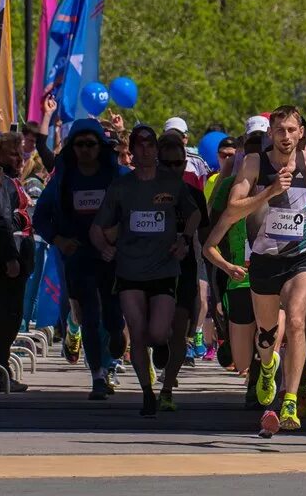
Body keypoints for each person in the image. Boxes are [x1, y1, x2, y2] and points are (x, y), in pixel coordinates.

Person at [206, 105, 306, 433]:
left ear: (301, 132)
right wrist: (270, 191)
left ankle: (289, 399)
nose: (287, 137)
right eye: (280, 131)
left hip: (300, 259)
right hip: (263, 261)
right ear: (271, 134)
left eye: (292, 130)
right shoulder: (254, 164)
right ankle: (266, 369)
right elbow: (234, 207)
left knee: (295, 321)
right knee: (267, 335)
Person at [90, 124, 200, 417]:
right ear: (133, 151)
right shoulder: (121, 187)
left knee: (157, 332)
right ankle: (147, 393)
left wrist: (184, 239)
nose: (145, 149)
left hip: (164, 269)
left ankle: (161, 344)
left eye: (150, 144)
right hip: (129, 271)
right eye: (139, 145)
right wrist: (104, 247)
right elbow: (97, 228)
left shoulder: (171, 183)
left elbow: (194, 213)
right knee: (137, 335)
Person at [32, 118, 127, 399]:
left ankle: (117, 334)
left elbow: (133, 209)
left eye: (91, 144)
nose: (85, 150)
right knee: (88, 315)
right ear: (72, 147)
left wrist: (117, 235)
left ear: (101, 147)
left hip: (110, 256)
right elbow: (40, 218)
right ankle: (97, 375)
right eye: (80, 144)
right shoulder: (63, 180)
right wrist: (59, 240)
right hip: (78, 256)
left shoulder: (116, 176)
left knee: (111, 314)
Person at [205, 122, 266, 408]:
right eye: (249, 148)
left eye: (259, 148)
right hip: (237, 273)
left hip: (271, 273)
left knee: (269, 332)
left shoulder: (281, 184)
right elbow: (211, 228)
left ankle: (263, 382)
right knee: (241, 357)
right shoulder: (228, 185)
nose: (254, 154)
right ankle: (250, 370)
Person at [155, 132, 211, 413]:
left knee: (178, 329)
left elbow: (207, 237)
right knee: (157, 331)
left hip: (184, 268)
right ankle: (158, 352)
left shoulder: (194, 196)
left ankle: (167, 388)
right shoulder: (144, 193)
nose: (175, 170)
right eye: (168, 165)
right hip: (150, 269)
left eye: (180, 165)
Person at [0, 136, 32, 393]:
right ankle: (1, 369)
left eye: (20, 155)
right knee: (8, 317)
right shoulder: (2, 183)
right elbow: (2, 221)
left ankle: (3, 366)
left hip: (20, 258)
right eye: (14, 155)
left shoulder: (12, 181)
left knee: (13, 316)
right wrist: (10, 256)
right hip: (8, 261)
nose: (20, 160)